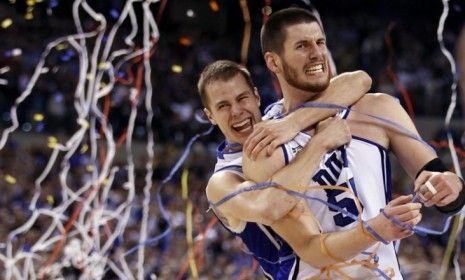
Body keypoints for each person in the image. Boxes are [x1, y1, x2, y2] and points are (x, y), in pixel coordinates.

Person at [242, 7, 465, 279]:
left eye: (320, 42)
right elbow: (306, 244)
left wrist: (451, 186)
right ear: (273, 62)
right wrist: (373, 229)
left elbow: (441, 182)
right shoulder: (265, 144)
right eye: (302, 46)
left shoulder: (376, 109)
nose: (316, 53)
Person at [200, 60, 422, 279]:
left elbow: (359, 81)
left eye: (242, 98)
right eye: (223, 106)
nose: (236, 111)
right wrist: (320, 142)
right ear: (210, 115)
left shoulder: (282, 118)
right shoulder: (223, 180)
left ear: (256, 96)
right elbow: (271, 206)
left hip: (362, 259)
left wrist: (295, 122)